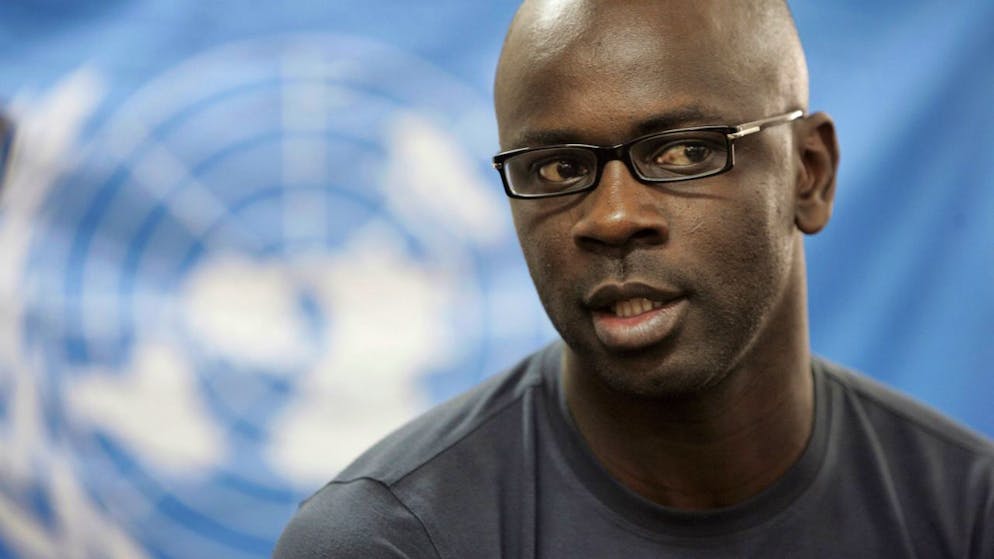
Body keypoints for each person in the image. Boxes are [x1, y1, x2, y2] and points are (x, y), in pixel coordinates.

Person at [274, 1, 994, 556]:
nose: (613, 217)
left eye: (683, 151)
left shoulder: (969, 517)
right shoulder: (392, 540)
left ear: (810, 174)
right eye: (557, 167)